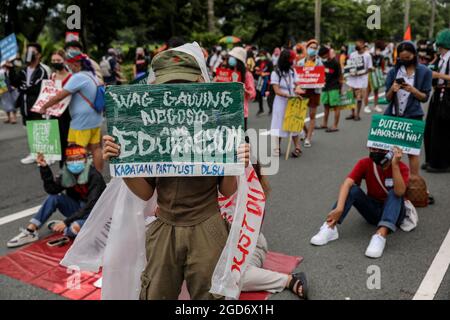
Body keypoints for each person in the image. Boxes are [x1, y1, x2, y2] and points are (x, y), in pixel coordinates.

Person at [103, 43, 251, 300]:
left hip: (208, 225)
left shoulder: (217, 124)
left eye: (184, 85)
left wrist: (235, 162)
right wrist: (122, 163)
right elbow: (145, 192)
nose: (177, 95)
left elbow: (227, 191)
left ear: (200, 84)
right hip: (165, 226)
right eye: (169, 87)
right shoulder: (151, 130)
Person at [310, 147, 409, 258]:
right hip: (374, 210)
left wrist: (395, 165)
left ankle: (380, 235)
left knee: (394, 193)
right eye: (373, 149)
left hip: (395, 212)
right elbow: (346, 184)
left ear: (390, 152)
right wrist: (339, 208)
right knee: (353, 189)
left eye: (379, 150)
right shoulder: (365, 163)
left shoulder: (402, 167)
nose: (375, 152)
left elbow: (400, 192)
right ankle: (330, 226)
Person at [7, 144, 106, 248]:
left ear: (86, 159)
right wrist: (44, 168)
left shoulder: (94, 176)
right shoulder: (67, 174)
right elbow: (52, 190)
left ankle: (68, 227)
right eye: (71, 160)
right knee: (54, 198)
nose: (75, 162)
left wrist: (66, 222)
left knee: (74, 229)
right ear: (66, 162)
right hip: (80, 209)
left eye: (78, 158)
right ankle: (31, 230)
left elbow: (92, 205)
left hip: (97, 213)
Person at [39, 50, 104, 171]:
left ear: (75, 63)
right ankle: (98, 179)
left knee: (75, 150)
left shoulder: (78, 77)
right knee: (96, 148)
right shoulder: (91, 74)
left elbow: (60, 96)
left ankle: (80, 182)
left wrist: (44, 107)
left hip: (81, 122)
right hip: (95, 118)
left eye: (69, 64)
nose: (68, 67)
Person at [385, 41, 432, 177]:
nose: (404, 60)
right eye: (401, 58)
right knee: (393, 152)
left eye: (408, 57)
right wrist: (393, 90)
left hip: (413, 116)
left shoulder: (425, 72)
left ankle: (414, 184)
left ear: (414, 55)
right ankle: (392, 183)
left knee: (413, 153)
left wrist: (412, 90)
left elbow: (424, 97)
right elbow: (388, 99)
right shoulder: (393, 71)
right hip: (393, 116)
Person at [9, 43, 49, 164]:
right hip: (25, 106)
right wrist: (11, 68)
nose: (29, 54)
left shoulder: (42, 70)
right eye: (28, 52)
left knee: (39, 131)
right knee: (29, 130)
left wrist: (22, 88)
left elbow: (37, 88)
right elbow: (15, 83)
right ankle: (34, 154)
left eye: (32, 52)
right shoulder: (23, 70)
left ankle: (44, 156)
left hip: (38, 106)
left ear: (39, 55)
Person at [270, 49, 305, 157]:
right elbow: (276, 90)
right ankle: (277, 147)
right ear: (286, 60)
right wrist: (287, 95)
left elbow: (297, 84)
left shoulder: (292, 71)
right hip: (281, 101)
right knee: (279, 123)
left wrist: (298, 90)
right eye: (291, 60)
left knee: (293, 122)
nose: (292, 62)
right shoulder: (275, 73)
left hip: (292, 100)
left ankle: (297, 147)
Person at [425, 29, 450, 173]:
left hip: (446, 96)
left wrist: (437, 74)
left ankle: (441, 163)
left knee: (442, 130)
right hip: (438, 94)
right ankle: (432, 159)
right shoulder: (442, 57)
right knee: (431, 129)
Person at [49, 50, 73, 169]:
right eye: (53, 60)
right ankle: (62, 170)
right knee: (58, 143)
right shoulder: (52, 76)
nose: (55, 62)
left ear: (64, 61)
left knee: (68, 142)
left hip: (68, 114)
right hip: (54, 114)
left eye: (58, 60)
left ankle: (72, 168)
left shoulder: (71, 77)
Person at [298, 39, 323, 148]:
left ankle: (308, 138)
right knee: (299, 115)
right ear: (307, 48)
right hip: (303, 91)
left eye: (314, 48)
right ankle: (307, 131)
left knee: (312, 115)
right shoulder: (300, 62)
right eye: (311, 47)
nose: (312, 49)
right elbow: (297, 77)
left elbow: (321, 76)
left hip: (314, 91)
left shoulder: (319, 62)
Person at [228, 47, 256, 131]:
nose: (230, 59)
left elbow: (252, 94)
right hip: (229, 110)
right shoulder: (229, 73)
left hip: (241, 112)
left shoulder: (247, 75)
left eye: (233, 58)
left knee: (241, 139)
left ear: (238, 60)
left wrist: (244, 89)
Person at [345, 39, 373, 121]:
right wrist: (349, 72)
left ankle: (357, 114)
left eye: (359, 44)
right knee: (351, 97)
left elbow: (370, 68)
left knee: (359, 97)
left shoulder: (367, 56)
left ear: (363, 45)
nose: (356, 45)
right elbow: (349, 65)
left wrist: (361, 73)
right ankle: (352, 113)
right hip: (352, 79)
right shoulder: (353, 54)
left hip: (361, 80)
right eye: (356, 43)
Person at [318, 46, 342, 132]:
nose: (322, 58)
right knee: (326, 106)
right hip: (325, 86)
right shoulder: (323, 63)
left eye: (323, 56)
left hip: (334, 87)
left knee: (336, 106)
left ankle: (335, 125)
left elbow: (340, 76)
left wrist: (340, 88)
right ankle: (324, 123)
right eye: (321, 57)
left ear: (327, 53)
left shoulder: (335, 62)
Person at [365, 41, 385, 114]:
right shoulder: (369, 55)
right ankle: (366, 106)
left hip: (377, 74)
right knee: (368, 90)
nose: (379, 51)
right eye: (378, 50)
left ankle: (376, 106)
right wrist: (370, 67)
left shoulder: (381, 56)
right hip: (370, 74)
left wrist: (383, 71)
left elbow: (382, 65)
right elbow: (366, 65)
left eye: (380, 50)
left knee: (376, 90)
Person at [254, 49, 273, 116]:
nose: (261, 57)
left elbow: (271, 72)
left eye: (262, 55)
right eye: (260, 55)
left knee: (268, 95)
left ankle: (271, 108)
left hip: (267, 80)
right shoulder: (258, 61)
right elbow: (255, 71)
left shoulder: (269, 62)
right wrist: (257, 71)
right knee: (259, 94)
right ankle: (261, 109)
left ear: (265, 55)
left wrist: (265, 74)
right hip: (260, 80)